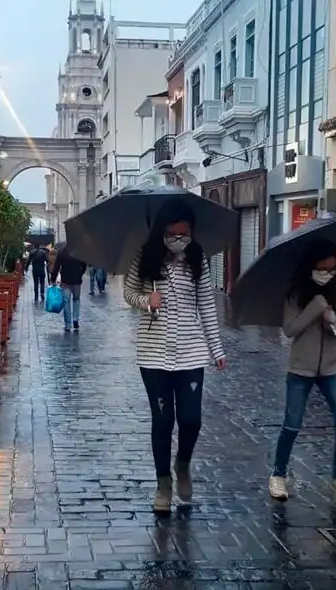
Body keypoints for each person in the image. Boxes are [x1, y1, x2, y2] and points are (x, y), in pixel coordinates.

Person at [123, 200, 226, 513]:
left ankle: (183, 464)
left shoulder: (198, 258)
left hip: (191, 351)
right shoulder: (145, 256)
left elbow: (206, 304)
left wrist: (216, 348)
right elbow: (128, 294)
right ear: (162, 232)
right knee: (163, 420)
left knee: (191, 420)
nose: (179, 238)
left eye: (185, 233)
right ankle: (163, 482)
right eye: (173, 233)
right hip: (153, 352)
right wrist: (147, 300)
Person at [268, 239, 336, 507]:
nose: (326, 274)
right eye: (321, 269)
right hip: (300, 369)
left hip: (331, 368)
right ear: (311, 266)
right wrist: (314, 309)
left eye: (331, 270)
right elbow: (290, 329)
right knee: (291, 425)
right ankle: (278, 474)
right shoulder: (296, 293)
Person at [50, 242, 88, 332]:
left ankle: (67, 324)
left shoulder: (62, 252)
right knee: (76, 299)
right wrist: (80, 274)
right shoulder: (79, 252)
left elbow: (57, 267)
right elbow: (84, 265)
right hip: (77, 281)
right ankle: (75, 320)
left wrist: (53, 279)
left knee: (66, 302)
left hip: (65, 281)